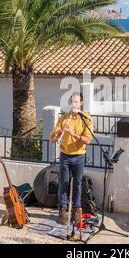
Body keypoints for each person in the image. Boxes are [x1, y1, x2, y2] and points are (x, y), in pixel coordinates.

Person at [50, 92, 93, 225]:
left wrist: (72, 133)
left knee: (78, 184)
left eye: (76, 102)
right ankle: (62, 211)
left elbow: (87, 140)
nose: (74, 104)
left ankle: (76, 211)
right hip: (65, 155)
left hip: (79, 156)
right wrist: (59, 132)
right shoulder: (63, 118)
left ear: (80, 103)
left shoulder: (86, 119)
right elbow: (52, 139)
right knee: (64, 183)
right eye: (72, 102)